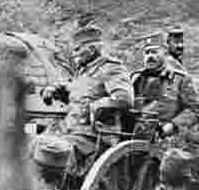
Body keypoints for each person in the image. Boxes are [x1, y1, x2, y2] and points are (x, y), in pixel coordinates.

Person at [44, 24, 133, 175]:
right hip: (72, 130)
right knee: (36, 144)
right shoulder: (84, 71)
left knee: (56, 150)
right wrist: (55, 89)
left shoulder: (112, 68)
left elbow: (124, 98)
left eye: (78, 49)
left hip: (96, 134)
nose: (74, 54)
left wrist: (98, 105)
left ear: (92, 50)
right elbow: (78, 92)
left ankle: (60, 189)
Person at [131, 33, 199, 137]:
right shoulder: (135, 77)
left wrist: (171, 126)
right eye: (147, 53)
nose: (150, 56)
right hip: (133, 131)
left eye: (154, 52)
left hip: (163, 136)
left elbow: (196, 110)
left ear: (165, 52)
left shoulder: (181, 79)